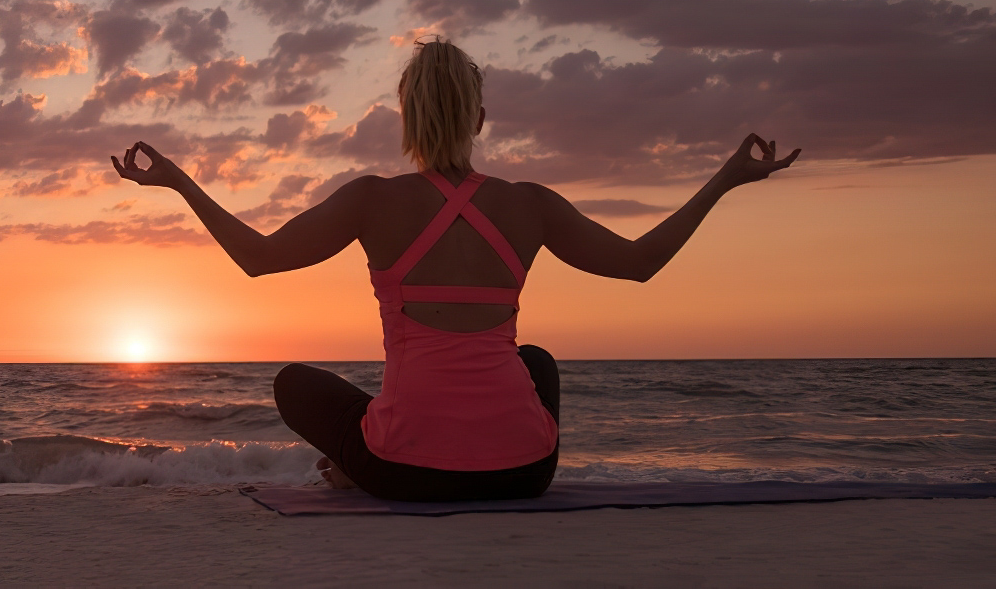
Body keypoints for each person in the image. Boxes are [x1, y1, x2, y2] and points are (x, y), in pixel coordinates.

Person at [109, 37, 800, 502]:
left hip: (403, 474)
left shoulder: (372, 201)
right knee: (538, 362)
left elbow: (258, 259)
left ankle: (355, 470)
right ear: (481, 118)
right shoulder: (529, 206)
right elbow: (641, 263)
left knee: (294, 383)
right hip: (526, 474)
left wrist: (178, 182)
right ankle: (412, 446)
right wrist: (728, 179)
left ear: (407, 116)